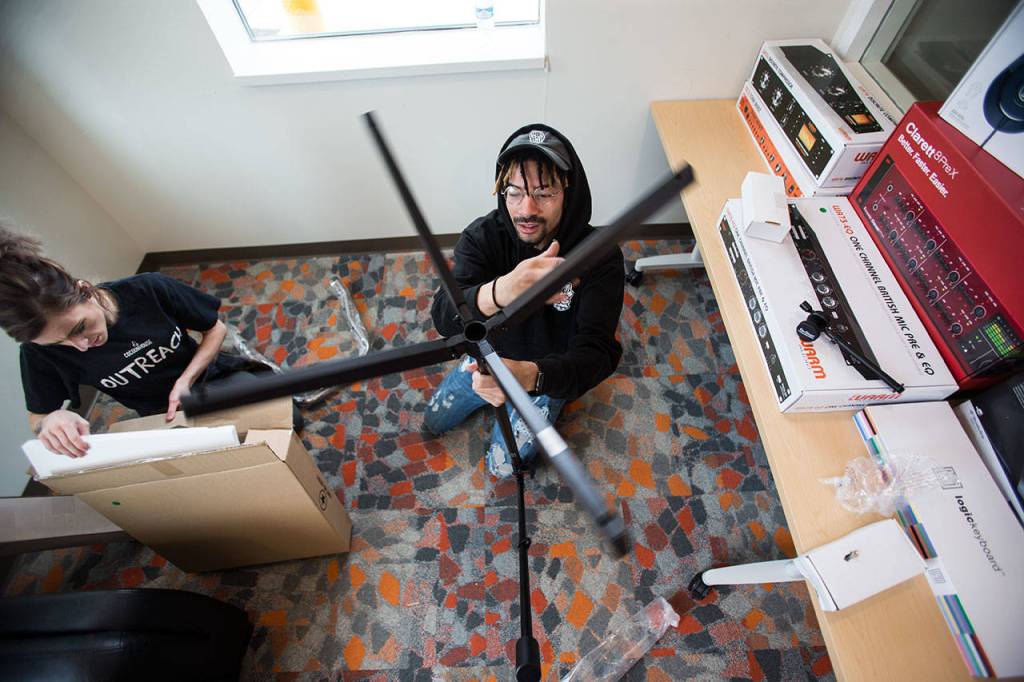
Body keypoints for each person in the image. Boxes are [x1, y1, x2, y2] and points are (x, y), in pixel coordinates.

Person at [426, 125, 625, 477]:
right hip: (483, 361)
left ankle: (547, 401)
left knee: (503, 469)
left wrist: (530, 377)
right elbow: (444, 315)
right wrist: (505, 288)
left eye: (544, 193)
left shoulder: (601, 256)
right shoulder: (483, 236)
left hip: (546, 375)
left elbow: (598, 354)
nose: (526, 209)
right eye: (514, 193)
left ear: (569, 191)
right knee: (433, 420)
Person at [0, 224, 263, 458]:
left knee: (279, 424)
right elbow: (38, 415)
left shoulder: (148, 289)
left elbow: (214, 329)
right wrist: (51, 421)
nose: (81, 346)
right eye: (58, 343)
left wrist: (186, 380)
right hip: (162, 414)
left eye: (81, 328)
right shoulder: (37, 353)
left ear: (84, 290)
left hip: (210, 376)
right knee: (216, 460)